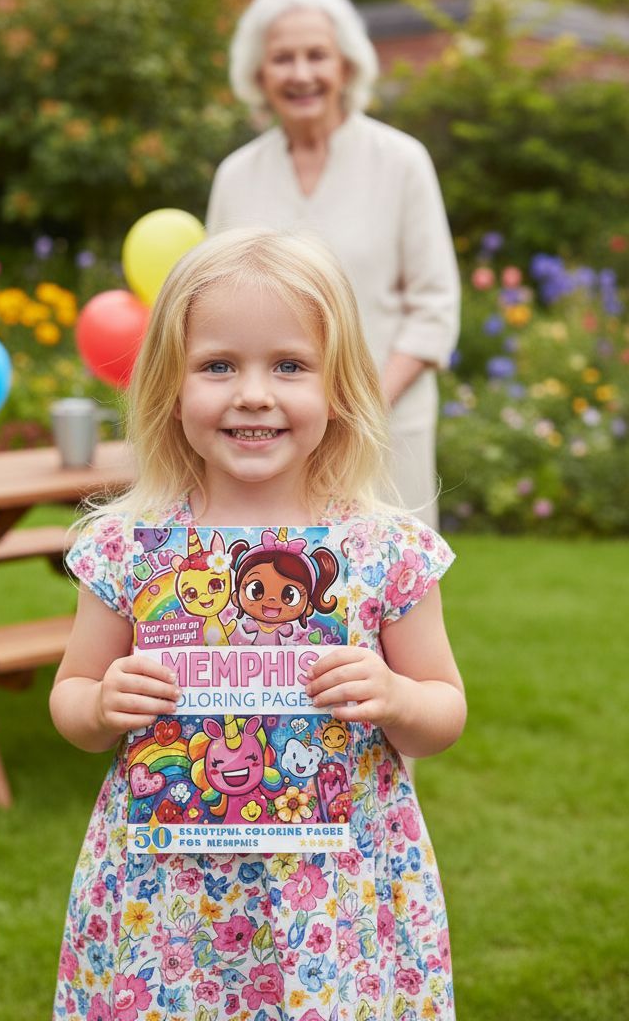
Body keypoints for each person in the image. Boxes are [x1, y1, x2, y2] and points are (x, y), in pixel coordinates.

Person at [50, 228, 466, 1021]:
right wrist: (101, 701)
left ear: (339, 387)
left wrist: (395, 696)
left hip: (335, 893)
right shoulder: (129, 548)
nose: (252, 393)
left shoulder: (384, 549)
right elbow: (70, 697)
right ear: (170, 387)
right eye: (217, 366)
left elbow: (443, 711)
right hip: (166, 900)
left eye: (289, 365)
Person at [207, 0, 461, 527]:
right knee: (280, 593)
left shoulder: (402, 161)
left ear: (346, 65)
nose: (301, 74)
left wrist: (358, 407)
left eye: (316, 55)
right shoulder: (236, 176)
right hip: (268, 434)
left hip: (385, 425)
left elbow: (435, 306)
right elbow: (209, 310)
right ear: (258, 74)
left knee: (390, 594)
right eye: (282, 58)